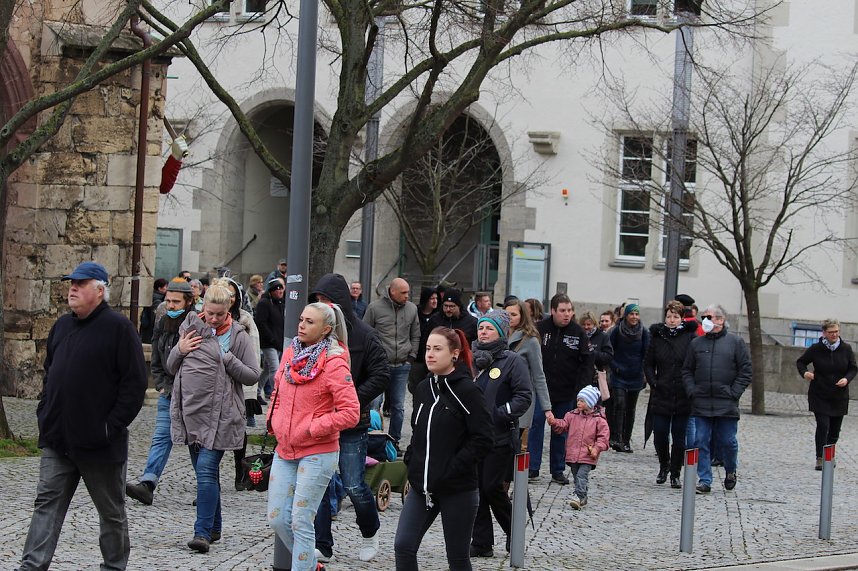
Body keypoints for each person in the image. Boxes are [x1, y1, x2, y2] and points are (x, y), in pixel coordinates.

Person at [18, 261, 148, 571]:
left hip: (99, 444)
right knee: (46, 506)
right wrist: (45, 410)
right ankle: (31, 566)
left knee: (111, 512)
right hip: (57, 439)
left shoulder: (119, 328)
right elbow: (51, 373)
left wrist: (108, 428)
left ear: (100, 291)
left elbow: (135, 386)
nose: (72, 288)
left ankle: (114, 566)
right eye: (70, 283)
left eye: (81, 283)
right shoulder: (62, 326)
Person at [166, 284, 262, 553]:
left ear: (229, 309)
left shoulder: (238, 336)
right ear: (202, 308)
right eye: (210, 313)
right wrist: (180, 349)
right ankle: (215, 526)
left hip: (222, 416)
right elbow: (171, 367)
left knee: (207, 471)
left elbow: (253, 374)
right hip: (192, 413)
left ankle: (202, 533)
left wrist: (226, 358)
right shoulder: (191, 327)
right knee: (205, 475)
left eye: (221, 314)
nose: (215, 319)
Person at [266, 302, 361, 571]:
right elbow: (277, 390)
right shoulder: (290, 354)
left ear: (326, 330)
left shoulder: (334, 362)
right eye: (301, 319)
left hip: (318, 451)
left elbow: (351, 412)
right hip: (285, 448)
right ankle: (309, 564)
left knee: (300, 519)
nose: (302, 325)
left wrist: (312, 427)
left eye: (309, 322)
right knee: (277, 519)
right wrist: (274, 419)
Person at [394, 327, 494, 571]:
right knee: (403, 546)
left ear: (454, 354)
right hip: (422, 488)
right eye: (428, 348)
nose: (430, 354)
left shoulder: (468, 391)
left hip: (457, 489)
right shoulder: (422, 389)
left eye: (437, 349)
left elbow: (483, 438)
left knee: (457, 558)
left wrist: (453, 468)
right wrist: (412, 460)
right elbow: (418, 431)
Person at [310, 273, 389, 564]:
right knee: (318, 485)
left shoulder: (365, 335)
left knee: (355, 485)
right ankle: (323, 545)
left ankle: (370, 532)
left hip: (352, 423)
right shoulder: (314, 334)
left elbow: (381, 374)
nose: (321, 306)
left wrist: (352, 398)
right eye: (318, 301)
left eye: (325, 301)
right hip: (319, 422)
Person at [469, 309, 532, 558]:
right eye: (481, 328)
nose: (483, 333)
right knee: (475, 489)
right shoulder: (471, 359)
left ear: (501, 332)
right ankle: (481, 542)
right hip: (473, 438)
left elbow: (524, 396)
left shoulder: (512, 361)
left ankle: (514, 533)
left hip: (500, 437)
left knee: (492, 487)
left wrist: (500, 412)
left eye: (489, 328)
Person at [126, 278, 195, 505]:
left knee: (197, 442)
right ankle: (148, 483)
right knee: (161, 436)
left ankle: (207, 488)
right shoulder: (162, 322)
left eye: (176, 301)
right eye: (168, 301)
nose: (171, 305)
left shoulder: (197, 324)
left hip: (194, 395)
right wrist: (163, 384)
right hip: (169, 391)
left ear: (188, 302)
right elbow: (156, 357)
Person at [682, 304, 752, 494]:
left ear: (720, 320)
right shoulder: (696, 343)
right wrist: (692, 390)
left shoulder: (735, 343)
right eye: (703, 316)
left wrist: (733, 392)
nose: (705, 320)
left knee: (728, 441)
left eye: (709, 317)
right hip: (702, 401)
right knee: (700, 440)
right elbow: (687, 370)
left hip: (726, 402)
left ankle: (730, 471)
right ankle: (705, 479)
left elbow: (746, 371)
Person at [644, 300, 697, 488]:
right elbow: (648, 363)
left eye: (675, 317)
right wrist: (654, 382)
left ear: (681, 318)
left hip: (682, 393)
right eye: (669, 316)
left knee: (679, 437)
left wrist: (690, 385)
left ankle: (675, 472)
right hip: (662, 391)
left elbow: (693, 363)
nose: (672, 320)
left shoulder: (689, 337)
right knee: (659, 434)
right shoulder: (657, 337)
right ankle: (663, 465)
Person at [215, 277, 263, 485]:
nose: (229, 298)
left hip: (237, 383)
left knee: (237, 429)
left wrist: (250, 391)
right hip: (214, 385)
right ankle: (209, 477)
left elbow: (253, 356)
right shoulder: (207, 319)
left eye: (232, 294)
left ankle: (241, 471)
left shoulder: (244, 321)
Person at [363, 277, 420, 449]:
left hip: (402, 364)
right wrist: (372, 358)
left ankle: (393, 442)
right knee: (374, 404)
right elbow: (366, 333)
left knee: (398, 407)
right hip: (379, 366)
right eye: (403, 292)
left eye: (408, 292)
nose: (407, 296)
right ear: (392, 291)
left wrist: (411, 356)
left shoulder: (411, 309)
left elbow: (415, 334)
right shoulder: (374, 308)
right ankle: (373, 440)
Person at [796, 318, 857, 470]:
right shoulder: (816, 349)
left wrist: (846, 379)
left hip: (839, 395)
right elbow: (801, 362)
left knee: (835, 430)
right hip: (820, 393)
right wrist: (805, 373)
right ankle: (820, 457)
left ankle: (829, 454)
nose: (834, 335)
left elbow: (853, 368)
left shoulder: (846, 349)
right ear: (824, 333)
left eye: (836, 331)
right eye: (831, 332)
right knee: (823, 426)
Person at [548, 386, 609, 510]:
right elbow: (563, 425)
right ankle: (583, 495)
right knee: (577, 476)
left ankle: (579, 496)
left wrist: (597, 449)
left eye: (582, 401)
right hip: (573, 453)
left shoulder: (599, 420)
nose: (579, 403)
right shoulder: (572, 415)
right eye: (578, 400)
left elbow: (603, 438)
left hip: (588, 454)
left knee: (581, 475)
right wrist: (554, 422)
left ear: (590, 403)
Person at [504, 299, 553, 452]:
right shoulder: (497, 335)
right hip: (498, 396)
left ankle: (510, 475)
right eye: (506, 314)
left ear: (522, 316)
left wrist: (546, 407)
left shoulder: (530, 340)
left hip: (519, 398)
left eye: (513, 314)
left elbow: (539, 375)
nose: (509, 317)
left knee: (513, 444)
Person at [413, 288, 478, 394]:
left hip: (461, 370)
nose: (448, 309)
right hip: (436, 369)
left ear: (459, 306)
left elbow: (475, 346)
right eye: (445, 306)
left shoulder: (471, 322)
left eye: (452, 306)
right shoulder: (435, 320)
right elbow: (425, 342)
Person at [607, 303, 649, 453]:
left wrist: (644, 372)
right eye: (631, 314)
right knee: (619, 404)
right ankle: (616, 438)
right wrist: (614, 367)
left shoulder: (643, 332)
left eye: (637, 314)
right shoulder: (617, 331)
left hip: (635, 375)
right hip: (619, 374)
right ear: (626, 315)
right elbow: (608, 350)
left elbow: (647, 354)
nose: (634, 317)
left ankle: (626, 440)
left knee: (630, 409)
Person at [255, 277, 286, 404]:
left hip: (277, 341)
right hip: (268, 342)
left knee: (267, 369)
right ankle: (276, 395)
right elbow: (261, 323)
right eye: (277, 289)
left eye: (281, 289)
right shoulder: (264, 303)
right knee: (275, 368)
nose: (280, 292)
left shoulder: (281, 304)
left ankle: (256, 392)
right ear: (271, 291)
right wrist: (271, 338)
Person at [406, 286, 440, 392]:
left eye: (436, 298)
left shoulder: (439, 315)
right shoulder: (415, 312)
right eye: (432, 298)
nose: (435, 301)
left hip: (434, 357)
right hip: (418, 358)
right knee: (415, 387)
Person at [579, 311, 614, 391]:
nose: (586, 327)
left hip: (596, 380)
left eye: (589, 324)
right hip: (579, 378)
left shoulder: (603, 336)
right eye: (583, 324)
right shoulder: (578, 335)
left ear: (594, 324)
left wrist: (591, 353)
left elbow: (608, 356)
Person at [140, 277, 168, 343]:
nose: (167, 289)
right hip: (150, 332)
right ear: (160, 288)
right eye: (166, 287)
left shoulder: (153, 297)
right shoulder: (157, 301)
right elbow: (155, 319)